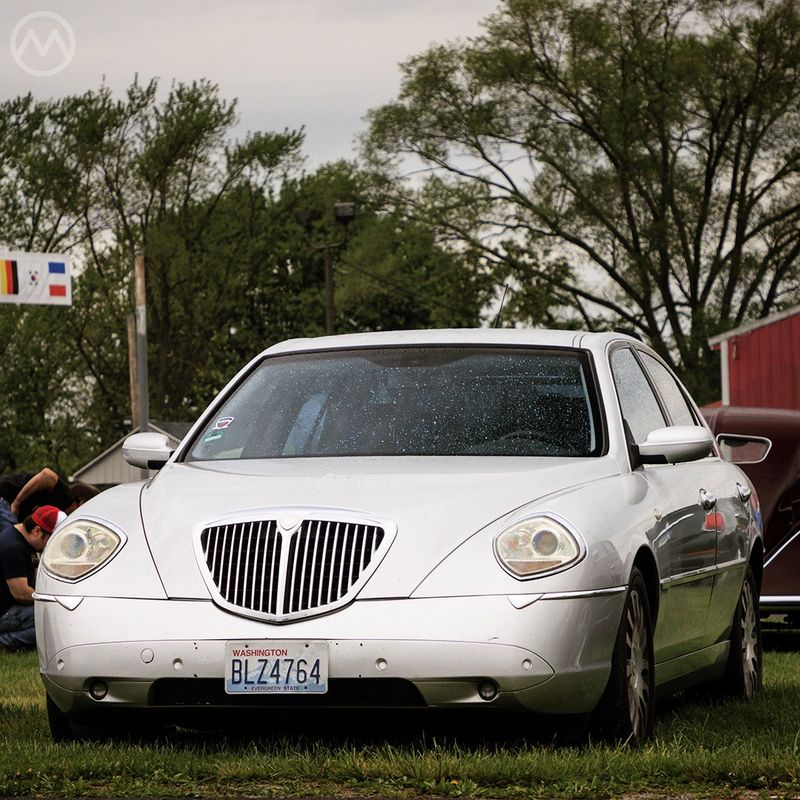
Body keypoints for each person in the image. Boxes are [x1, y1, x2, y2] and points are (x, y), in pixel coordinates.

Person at [0, 505, 63, 652]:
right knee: (56, 618)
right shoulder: (13, 548)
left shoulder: (19, 537)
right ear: (37, 531)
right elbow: (21, 594)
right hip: (5, 612)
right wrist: (55, 599)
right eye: (51, 541)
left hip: (9, 607)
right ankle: (5, 642)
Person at [0, 469, 98, 527]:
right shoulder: (67, 497)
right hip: (6, 497)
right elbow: (47, 475)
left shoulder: (61, 513)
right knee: (11, 541)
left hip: (9, 503)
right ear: (81, 501)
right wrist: (16, 503)